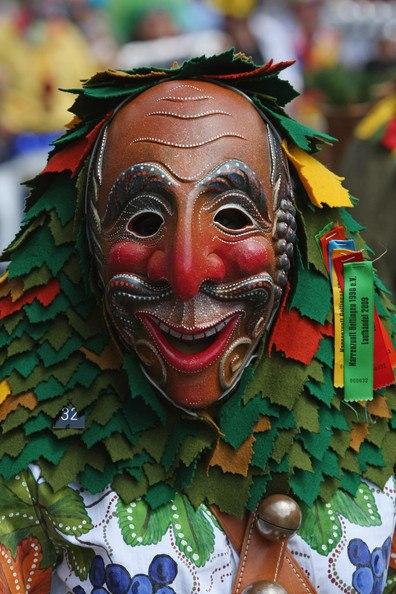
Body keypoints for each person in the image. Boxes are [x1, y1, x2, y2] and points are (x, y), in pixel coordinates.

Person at [0, 51, 394, 594]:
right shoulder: (26, 448)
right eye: (143, 220)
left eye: (233, 216)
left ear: (292, 234)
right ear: (86, 244)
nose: (186, 271)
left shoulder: (371, 407)